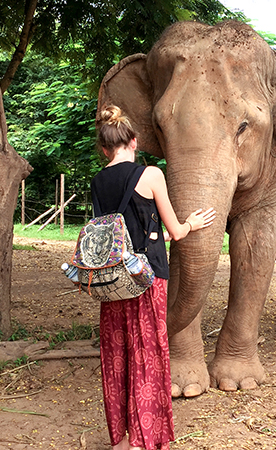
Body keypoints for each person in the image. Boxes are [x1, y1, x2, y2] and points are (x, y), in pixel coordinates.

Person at [92, 105, 215, 450]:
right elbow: (174, 230)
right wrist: (193, 223)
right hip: (147, 278)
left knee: (117, 354)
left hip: (111, 279)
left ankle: (120, 438)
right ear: (134, 141)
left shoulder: (98, 181)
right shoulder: (151, 175)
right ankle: (143, 441)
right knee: (146, 353)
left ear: (104, 148)